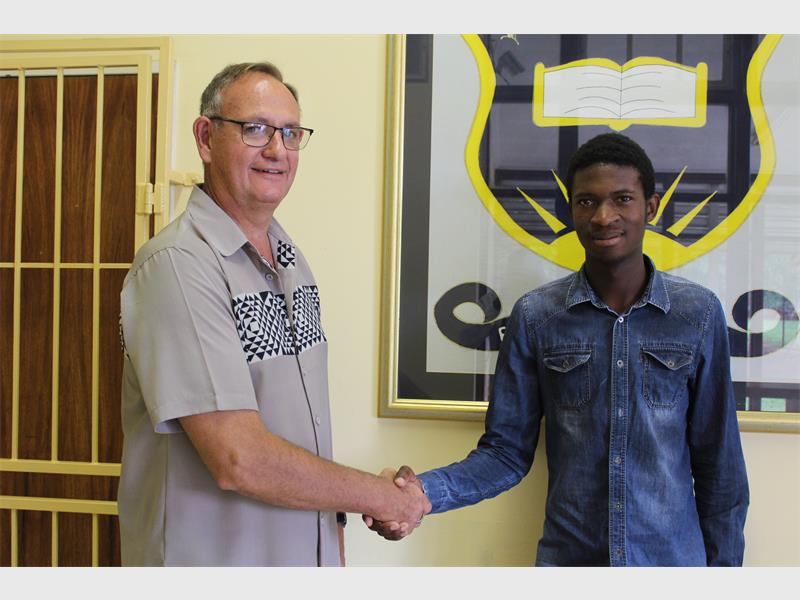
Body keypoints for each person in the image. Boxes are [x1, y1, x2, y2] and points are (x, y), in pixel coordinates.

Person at [366, 133, 750, 566]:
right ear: (571, 210)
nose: (604, 216)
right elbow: (505, 454)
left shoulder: (697, 314)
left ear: (651, 207)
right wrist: (422, 494)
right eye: (587, 201)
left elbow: (721, 471)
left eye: (622, 199)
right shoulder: (536, 317)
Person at [118, 62, 429, 566]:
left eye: (290, 133)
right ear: (205, 137)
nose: (277, 150)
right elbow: (237, 457)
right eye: (256, 129)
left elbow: (303, 433)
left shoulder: (291, 260)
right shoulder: (177, 266)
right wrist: (379, 496)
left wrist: (335, 530)